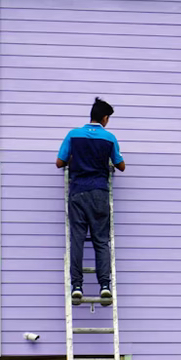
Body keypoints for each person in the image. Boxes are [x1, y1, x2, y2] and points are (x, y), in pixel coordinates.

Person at [56, 97, 125, 306]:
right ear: (104, 118)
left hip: (77, 192)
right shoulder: (109, 138)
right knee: (101, 241)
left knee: (77, 240)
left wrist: (75, 160)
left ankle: (77, 287)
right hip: (99, 193)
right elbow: (120, 165)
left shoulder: (73, 134)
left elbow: (59, 163)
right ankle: (105, 286)